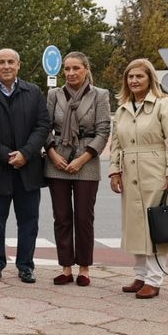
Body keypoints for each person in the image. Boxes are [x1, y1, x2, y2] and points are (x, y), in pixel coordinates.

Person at [108, 58, 168, 300]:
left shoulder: (165, 105)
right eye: (130, 77)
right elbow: (116, 144)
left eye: (139, 76)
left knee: (155, 226)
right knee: (135, 227)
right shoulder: (122, 109)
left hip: (156, 171)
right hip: (130, 172)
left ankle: (154, 279)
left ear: (150, 78)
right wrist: (114, 170)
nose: (134, 81)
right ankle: (141, 274)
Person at [0, 48, 50, 284]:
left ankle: (26, 265)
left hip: (28, 169)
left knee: (29, 222)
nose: (6, 66)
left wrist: (25, 154)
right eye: (1, 62)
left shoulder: (33, 92)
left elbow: (42, 125)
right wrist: (7, 155)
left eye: (11, 62)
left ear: (19, 65)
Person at [44, 52, 111, 287]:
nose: (71, 73)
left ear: (86, 69)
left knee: (84, 217)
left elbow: (103, 131)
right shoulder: (54, 94)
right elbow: (45, 127)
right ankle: (65, 267)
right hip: (57, 161)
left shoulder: (100, 95)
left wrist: (82, 159)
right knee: (61, 217)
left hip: (87, 160)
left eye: (76, 68)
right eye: (67, 69)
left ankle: (84, 268)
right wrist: (52, 154)